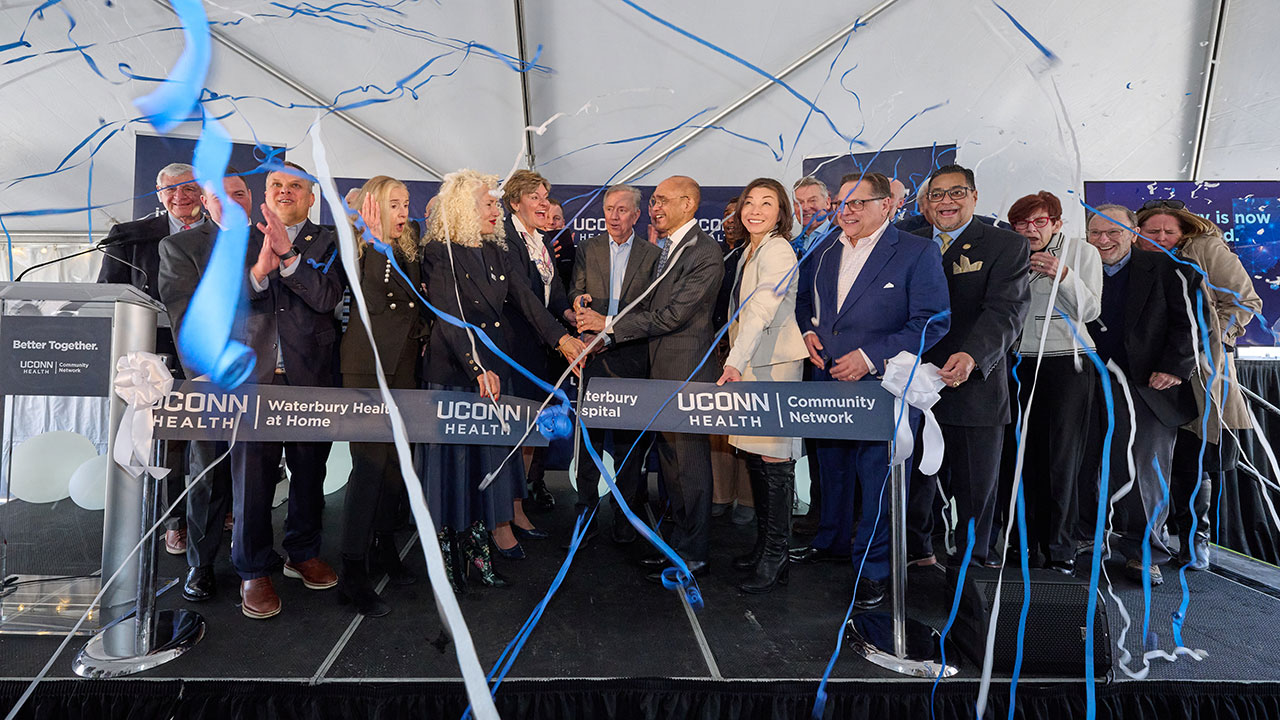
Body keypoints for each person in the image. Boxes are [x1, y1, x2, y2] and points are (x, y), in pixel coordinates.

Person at [418, 169, 585, 591]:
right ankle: (448, 561)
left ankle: (480, 550)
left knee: (490, 463)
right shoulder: (441, 251)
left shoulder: (497, 250)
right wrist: (477, 368)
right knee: (454, 470)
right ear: (463, 208)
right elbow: (450, 317)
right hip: (458, 375)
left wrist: (562, 338)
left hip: (497, 370)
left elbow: (527, 302)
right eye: (489, 204)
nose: (497, 210)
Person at [795, 172, 950, 606]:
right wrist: (808, 332)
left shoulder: (917, 252)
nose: (847, 211)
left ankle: (874, 570)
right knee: (833, 470)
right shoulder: (824, 249)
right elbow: (806, 302)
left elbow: (933, 321)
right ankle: (832, 543)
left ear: (887, 205)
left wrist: (869, 357)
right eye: (842, 203)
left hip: (884, 386)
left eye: (859, 203)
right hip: (829, 380)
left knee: (880, 482)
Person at [576, 175, 724, 581]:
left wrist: (608, 324)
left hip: (685, 372)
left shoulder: (704, 252)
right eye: (654, 201)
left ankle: (693, 553)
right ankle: (676, 544)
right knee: (673, 466)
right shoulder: (670, 248)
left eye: (661, 201)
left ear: (689, 204)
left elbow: (673, 316)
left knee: (689, 465)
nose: (655, 208)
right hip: (661, 372)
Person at [904, 164, 1031, 570]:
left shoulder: (1004, 245)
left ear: (974, 197)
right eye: (937, 194)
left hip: (973, 384)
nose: (946, 202)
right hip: (912, 384)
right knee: (914, 482)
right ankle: (916, 554)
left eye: (956, 193)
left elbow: (1006, 311)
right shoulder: (906, 241)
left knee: (975, 487)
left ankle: (972, 566)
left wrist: (974, 356)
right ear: (926, 202)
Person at [232, 161, 345, 619]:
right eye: (276, 184)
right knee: (253, 480)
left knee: (309, 469)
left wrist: (291, 259)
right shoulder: (236, 237)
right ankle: (254, 570)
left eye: (295, 186)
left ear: (311, 196)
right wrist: (261, 269)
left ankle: (302, 552)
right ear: (265, 191)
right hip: (252, 379)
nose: (284, 191)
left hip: (311, 378)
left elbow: (327, 297)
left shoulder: (334, 241)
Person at [1137, 201, 1262, 570]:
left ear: (1184, 231)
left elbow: (1243, 300)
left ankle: (1195, 540)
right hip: (1142, 372)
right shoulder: (1128, 256)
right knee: (1149, 460)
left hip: (1197, 374)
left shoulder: (1205, 250)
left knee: (1193, 458)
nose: (1160, 237)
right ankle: (1150, 541)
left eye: (1168, 231)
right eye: (1152, 231)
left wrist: (1207, 343)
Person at [1086, 204, 1197, 585]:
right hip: (1084, 383)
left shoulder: (1171, 271)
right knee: (1087, 467)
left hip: (1148, 386)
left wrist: (1173, 367)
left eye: (1114, 232)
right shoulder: (1077, 271)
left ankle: (1145, 552)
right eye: (1096, 233)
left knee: (1145, 472)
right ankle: (1090, 541)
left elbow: (1190, 327)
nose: (1104, 240)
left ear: (1134, 232)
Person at [98, 161, 204, 556]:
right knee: (169, 443)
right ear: (158, 195)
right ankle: (175, 521)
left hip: (211, 354)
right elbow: (109, 294)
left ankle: (215, 512)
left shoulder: (224, 236)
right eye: (170, 190)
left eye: (189, 189)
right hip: (154, 352)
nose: (180, 197)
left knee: (213, 435)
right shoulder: (130, 237)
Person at [334, 176, 428, 616]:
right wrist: (372, 235)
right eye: (394, 204)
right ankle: (352, 571)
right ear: (373, 207)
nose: (404, 211)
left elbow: (415, 310)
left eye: (406, 203)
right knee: (369, 468)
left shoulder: (404, 248)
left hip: (403, 369)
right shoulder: (363, 248)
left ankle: (383, 545)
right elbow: (374, 292)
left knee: (394, 468)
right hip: (368, 371)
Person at [157, 169, 251, 603]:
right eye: (221, 196)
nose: (231, 202)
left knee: (259, 475)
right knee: (207, 472)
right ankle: (201, 563)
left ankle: (256, 564)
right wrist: (200, 375)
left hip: (275, 380)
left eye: (240, 193)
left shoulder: (275, 242)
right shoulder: (180, 246)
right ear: (206, 203)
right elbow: (183, 314)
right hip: (212, 380)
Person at [713, 178, 809, 593]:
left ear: (781, 212)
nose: (754, 209)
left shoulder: (779, 249)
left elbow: (761, 311)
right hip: (751, 364)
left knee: (774, 461)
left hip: (772, 366)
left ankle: (776, 557)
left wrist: (734, 363)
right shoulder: (751, 250)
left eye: (766, 203)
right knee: (755, 455)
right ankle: (764, 548)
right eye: (749, 202)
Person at [1007, 191, 1103, 573]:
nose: (1031, 229)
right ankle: (1021, 544)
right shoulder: (1009, 252)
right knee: (1021, 457)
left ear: (1057, 223)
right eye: (1022, 223)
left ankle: (1061, 547)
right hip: (1018, 361)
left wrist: (1062, 275)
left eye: (1040, 222)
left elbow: (1090, 310)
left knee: (1063, 459)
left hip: (1068, 362)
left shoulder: (1081, 253)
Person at [568, 184, 660, 544]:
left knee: (628, 446)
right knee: (587, 440)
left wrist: (605, 325)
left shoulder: (653, 255)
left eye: (622, 210)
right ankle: (585, 515)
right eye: (609, 209)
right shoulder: (587, 249)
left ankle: (626, 520)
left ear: (636, 216)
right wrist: (579, 301)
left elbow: (651, 311)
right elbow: (575, 290)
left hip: (633, 357)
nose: (613, 216)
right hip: (593, 357)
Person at [501, 170, 572, 529]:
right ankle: (505, 511)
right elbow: (523, 296)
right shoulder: (506, 239)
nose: (544, 204)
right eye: (536, 198)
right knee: (514, 431)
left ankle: (518, 504)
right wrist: (561, 338)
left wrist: (574, 312)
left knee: (532, 428)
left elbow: (553, 293)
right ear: (515, 203)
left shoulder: (540, 240)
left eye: (546, 197)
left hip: (539, 349)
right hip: (513, 350)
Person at [711, 197, 755, 525]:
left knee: (748, 424)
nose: (729, 220)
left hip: (749, 351)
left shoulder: (755, 253)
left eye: (734, 214)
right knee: (717, 426)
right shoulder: (713, 253)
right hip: (715, 347)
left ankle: (750, 498)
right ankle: (721, 494)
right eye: (725, 215)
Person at [790, 176, 835, 257]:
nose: (805, 207)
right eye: (799, 202)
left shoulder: (843, 238)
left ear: (827, 203)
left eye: (812, 200)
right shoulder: (790, 247)